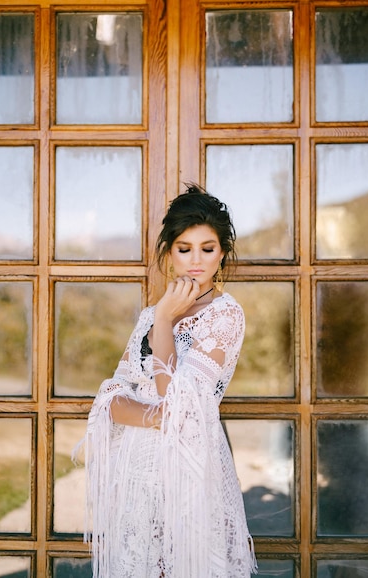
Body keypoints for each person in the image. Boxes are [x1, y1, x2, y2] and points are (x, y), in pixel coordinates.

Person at [76, 184, 257, 577]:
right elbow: (110, 396)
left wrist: (164, 322)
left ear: (222, 253)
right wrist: (155, 416)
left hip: (187, 473)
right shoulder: (150, 314)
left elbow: (173, 398)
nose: (196, 260)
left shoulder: (225, 316)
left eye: (207, 249)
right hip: (137, 476)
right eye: (184, 248)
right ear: (169, 252)